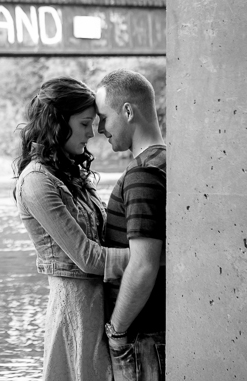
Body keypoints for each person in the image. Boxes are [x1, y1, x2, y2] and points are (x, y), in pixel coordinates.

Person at [14, 76, 129, 381]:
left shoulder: (70, 172)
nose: (93, 133)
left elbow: (104, 238)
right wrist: (152, 260)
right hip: (76, 312)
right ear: (56, 122)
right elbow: (88, 258)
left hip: (105, 305)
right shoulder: (37, 181)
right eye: (84, 123)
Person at [95, 70, 166, 381]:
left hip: (141, 338)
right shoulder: (169, 162)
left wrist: (116, 330)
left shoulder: (141, 175)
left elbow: (143, 265)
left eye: (103, 118)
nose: (99, 129)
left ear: (127, 111)